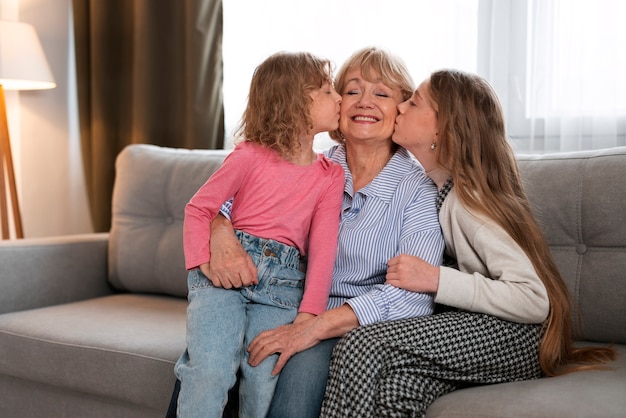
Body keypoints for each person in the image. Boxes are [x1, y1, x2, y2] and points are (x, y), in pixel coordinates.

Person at [319, 69, 617, 417]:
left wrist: (436, 279)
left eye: (413, 102)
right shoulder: (433, 187)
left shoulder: (468, 202)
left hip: (516, 336)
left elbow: (534, 299)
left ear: (440, 130)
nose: (400, 108)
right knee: (395, 386)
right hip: (481, 328)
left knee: (361, 345)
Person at [167, 47, 446, 418]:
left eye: (381, 93)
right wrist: (220, 231)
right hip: (278, 298)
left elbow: (412, 299)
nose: (364, 102)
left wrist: (314, 325)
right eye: (351, 90)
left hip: (339, 319)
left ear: (401, 109)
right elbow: (228, 204)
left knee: (281, 376)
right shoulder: (305, 160)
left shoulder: (417, 190)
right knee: (203, 366)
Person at [174, 51, 345, 418]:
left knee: (263, 376)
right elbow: (198, 209)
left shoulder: (331, 176)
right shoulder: (249, 155)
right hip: (222, 281)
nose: (340, 99)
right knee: (209, 371)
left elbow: (323, 249)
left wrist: (308, 314)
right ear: (297, 102)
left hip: (282, 289)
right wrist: (203, 264)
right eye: (329, 91)